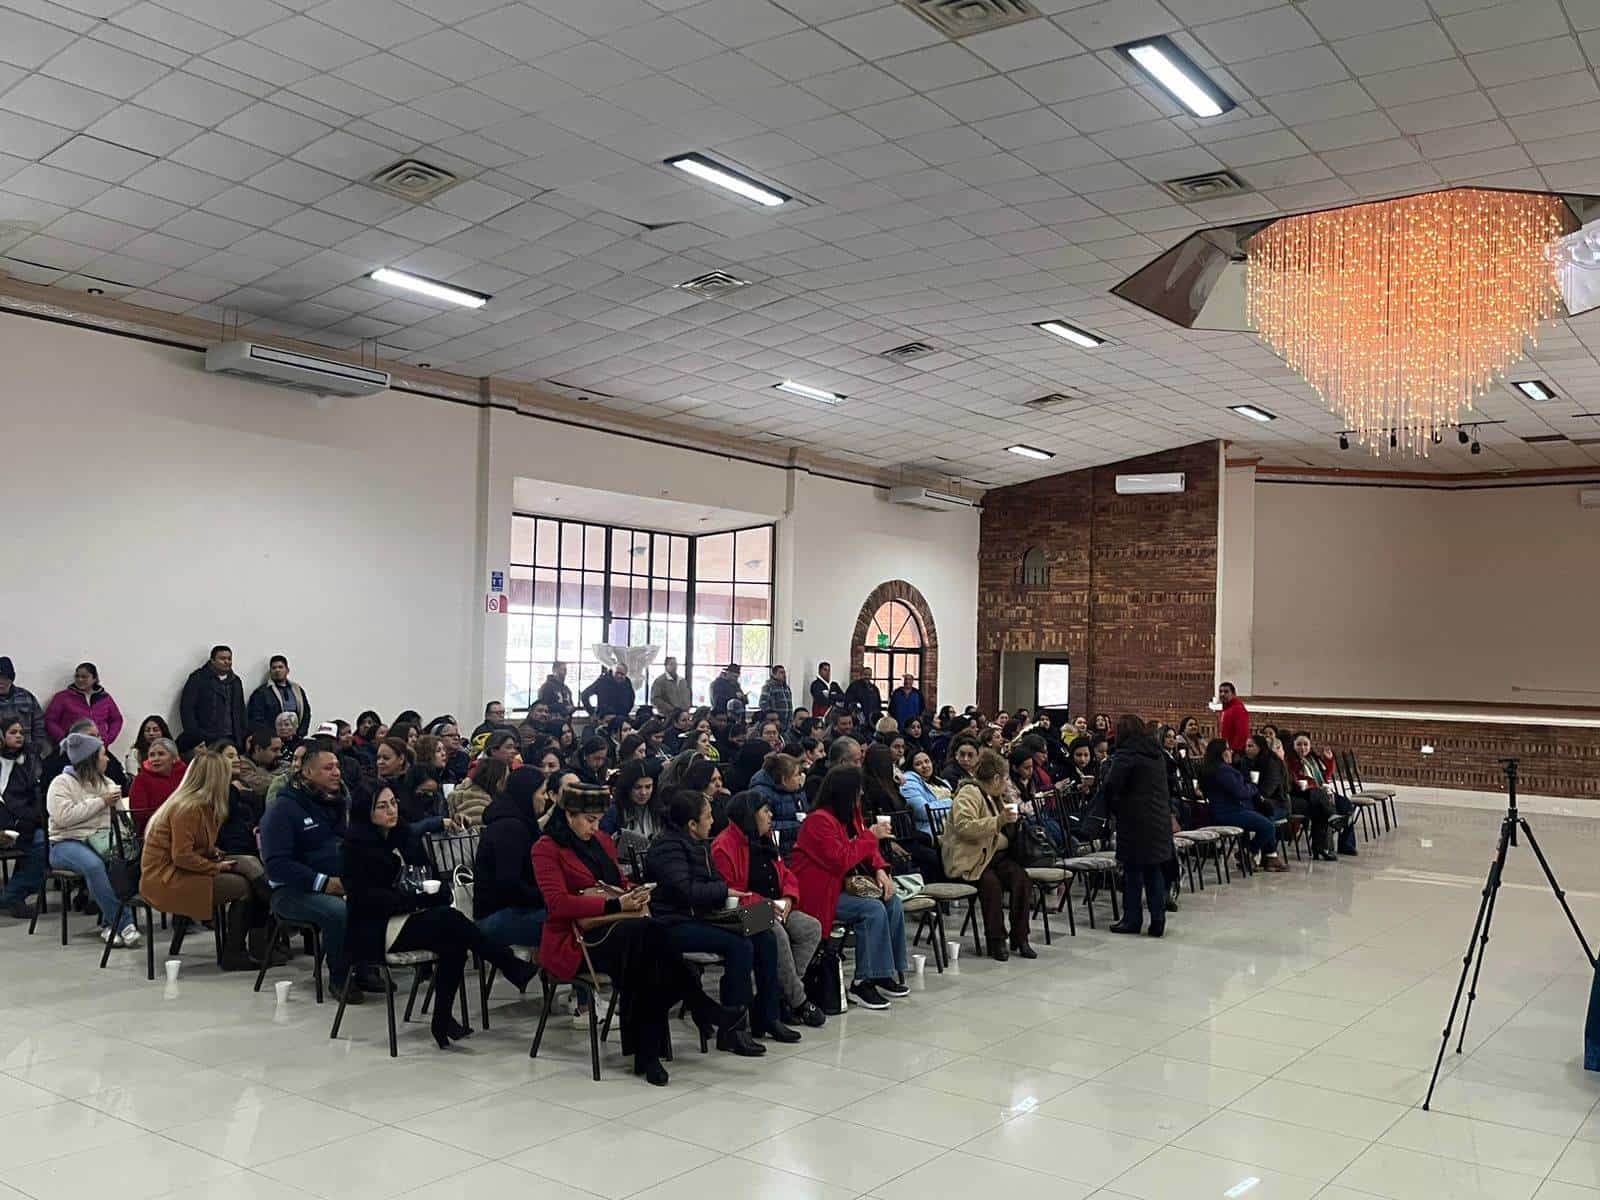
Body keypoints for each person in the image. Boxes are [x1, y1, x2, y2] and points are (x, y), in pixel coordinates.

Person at [533, 783, 740, 1087]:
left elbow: (620, 881)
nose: (596, 826)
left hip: (622, 933)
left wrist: (635, 893)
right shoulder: (546, 848)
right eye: (589, 819)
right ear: (568, 815)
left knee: (646, 957)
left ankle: (650, 1052)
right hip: (578, 939)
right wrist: (614, 903)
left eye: (599, 818)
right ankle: (700, 1008)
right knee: (649, 939)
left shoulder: (601, 841)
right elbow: (558, 904)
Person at [342, 782, 536, 1048]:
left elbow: (431, 877)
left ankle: (442, 1019)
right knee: (450, 921)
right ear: (367, 811)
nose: (391, 810)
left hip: (409, 915)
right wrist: (419, 899)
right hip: (375, 927)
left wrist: (430, 894)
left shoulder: (403, 837)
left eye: (393, 803)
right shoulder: (355, 849)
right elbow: (369, 901)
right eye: (382, 806)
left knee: (454, 942)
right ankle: (508, 963)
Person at [647, 788, 788, 1049]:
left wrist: (725, 891)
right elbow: (685, 891)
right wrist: (723, 890)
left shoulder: (697, 844)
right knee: (740, 945)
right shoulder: (667, 847)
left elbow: (712, 882)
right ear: (691, 824)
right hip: (674, 922)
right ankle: (733, 1030)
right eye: (708, 816)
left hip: (704, 915)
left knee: (765, 931)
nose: (713, 821)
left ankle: (768, 1015)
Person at [139, 750, 271, 969]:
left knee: (249, 864)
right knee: (243, 887)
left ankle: (262, 939)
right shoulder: (188, 808)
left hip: (182, 870)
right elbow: (181, 856)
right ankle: (239, 950)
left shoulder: (201, 804)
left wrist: (214, 854)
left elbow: (196, 847)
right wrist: (215, 867)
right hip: (167, 879)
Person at [792, 765, 909, 1010]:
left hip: (844, 886)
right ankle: (862, 982)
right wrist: (872, 837)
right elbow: (841, 859)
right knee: (872, 910)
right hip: (821, 892)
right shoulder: (818, 822)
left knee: (892, 902)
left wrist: (880, 870)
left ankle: (884, 972)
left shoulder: (850, 816)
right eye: (858, 792)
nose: (862, 796)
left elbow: (867, 850)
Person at [260, 747, 373, 1000]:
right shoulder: (284, 810)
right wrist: (322, 883)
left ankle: (365, 967)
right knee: (338, 912)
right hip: (291, 892)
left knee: (374, 897)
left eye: (337, 767)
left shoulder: (340, 803)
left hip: (339, 883)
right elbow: (276, 865)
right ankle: (340, 978)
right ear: (308, 772)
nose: (336, 773)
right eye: (328, 768)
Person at [713, 791, 826, 1028]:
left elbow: (786, 873)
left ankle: (781, 996)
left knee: (810, 927)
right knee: (778, 934)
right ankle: (799, 1001)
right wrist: (766, 905)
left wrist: (787, 898)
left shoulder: (765, 839)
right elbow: (731, 892)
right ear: (750, 816)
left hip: (776, 906)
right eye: (765, 811)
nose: (771, 815)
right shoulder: (724, 846)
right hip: (740, 914)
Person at [46, 731, 140, 947]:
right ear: (90, 760)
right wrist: (101, 802)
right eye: (103, 755)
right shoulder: (61, 783)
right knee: (94, 865)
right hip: (65, 843)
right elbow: (64, 817)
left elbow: (118, 820)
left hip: (102, 842)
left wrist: (117, 806)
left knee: (119, 864)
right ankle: (124, 923)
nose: (107, 759)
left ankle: (109, 926)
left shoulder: (107, 783)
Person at [944, 748, 1034, 961]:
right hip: (971, 859)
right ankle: (996, 940)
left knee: (1022, 880)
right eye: (1004, 779)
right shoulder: (969, 794)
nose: (1006, 783)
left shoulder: (995, 796)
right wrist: (999, 821)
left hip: (993, 855)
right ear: (995, 778)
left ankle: (1020, 937)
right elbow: (965, 827)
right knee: (991, 886)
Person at [1099, 716, 1177, 936]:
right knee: (1154, 870)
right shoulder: (1157, 754)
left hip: (1134, 820)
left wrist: (1113, 807)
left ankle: (1132, 919)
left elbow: (1113, 785)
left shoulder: (1126, 754)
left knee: (1133, 870)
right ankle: (1158, 920)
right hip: (1159, 818)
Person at [473, 766, 548, 951]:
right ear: (528, 794)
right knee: (569, 922)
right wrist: (548, 898)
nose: (546, 798)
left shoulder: (520, 823)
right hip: (495, 917)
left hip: (514, 909)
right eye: (543, 792)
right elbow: (510, 886)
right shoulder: (509, 829)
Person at [1197, 739, 1284, 872]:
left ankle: (1249, 853)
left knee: (1259, 819)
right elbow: (1241, 792)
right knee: (1268, 827)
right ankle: (1248, 852)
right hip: (1230, 812)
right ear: (1221, 753)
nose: (1231, 752)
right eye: (1228, 749)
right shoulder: (1224, 771)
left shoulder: (1207, 769)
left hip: (1217, 811)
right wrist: (1253, 787)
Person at [0, 716, 46, 917]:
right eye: (13, 732)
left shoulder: (29, 760)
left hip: (20, 825)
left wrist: (24, 821)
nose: (19, 736)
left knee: (44, 843)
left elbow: (33, 797)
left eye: (21, 732)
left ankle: (12, 894)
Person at [1286, 732, 1344, 860]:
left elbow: (1326, 776)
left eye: (1306, 744)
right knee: (1322, 806)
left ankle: (1336, 843)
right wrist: (1316, 786)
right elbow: (1297, 782)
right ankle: (1323, 847)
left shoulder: (1312, 759)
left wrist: (1329, 761)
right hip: (1298, 797)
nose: (1303, 748)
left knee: (1339, 805)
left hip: (1316, 795)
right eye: (1299, 745)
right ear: (1293, 746)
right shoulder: (1291, 761)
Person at [44, 663, 124, 750]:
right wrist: (65, 739)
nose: (80, 679)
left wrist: (107, 739)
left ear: (94, 679)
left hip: (98, 748)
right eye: (77, 676)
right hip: (71, 749)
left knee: (115, 764)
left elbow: (117, 719)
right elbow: (50, 720)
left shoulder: (105, 698)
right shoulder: (62, 697)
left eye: (84, 677)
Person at [179, 645, 247, 747]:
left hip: (232, 737)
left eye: (229, 659)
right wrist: (195, 734)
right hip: (206, 738)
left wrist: (242, 735)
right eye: (222, 659)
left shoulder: (235, 681)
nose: (227, 662)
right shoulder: (198, 678)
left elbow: (241, 710)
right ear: (212, 661)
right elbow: (187, 708)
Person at [749, 751, 806, 857]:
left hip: (799, 846)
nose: (801, 777)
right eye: (796, 775)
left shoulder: (796, 789)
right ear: (784, 779)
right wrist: (800, 826)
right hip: (780, 852)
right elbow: (767, 826)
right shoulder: (761, 793)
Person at [128, 736, 186, 833]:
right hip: (155, 832)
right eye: (152, 755)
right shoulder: (141, 779)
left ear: (174, 758)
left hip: (186, 826)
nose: (155, 759)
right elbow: (139, 815)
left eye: (161, 754)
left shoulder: (186, 774)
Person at [601, 760, 662, 845]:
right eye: (638, 787)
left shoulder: (659, 808)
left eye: (648, 787)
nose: (643, 792)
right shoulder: (614, 812)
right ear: (627, 788)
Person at [0, 658, 47, 756]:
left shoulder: (26, 697)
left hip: (27, 755)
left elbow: (39, 723)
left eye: (5, 678)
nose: (1, 682)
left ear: (12, 678)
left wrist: (36, 746)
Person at [900, 750, 950, 836]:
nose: (924, 766)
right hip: (929, 832)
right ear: (911, 767)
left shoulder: (938, 780)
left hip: (947, 828)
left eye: (927, 761)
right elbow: (923, 812)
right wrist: (951, 802)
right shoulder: (908, 782)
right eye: (918, 764)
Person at [449, 757, 508, 829]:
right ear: (497, 780)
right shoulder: (479, 804)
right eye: (506, 777)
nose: (508, 782)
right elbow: (478, 836)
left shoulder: (466, 791)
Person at [844, 665, 882, 730]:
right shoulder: (854, 686)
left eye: (869, 675)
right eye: (865, 674)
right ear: (861, 675)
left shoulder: (874, 689)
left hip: (872, 721)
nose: (867, 677)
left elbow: (878, 704)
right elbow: (848, 701)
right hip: (858, 721)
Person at [1217, 682, 1250, 754]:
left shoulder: (1238, 709)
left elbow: (1242, 732)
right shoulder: (1226, 710)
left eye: (1226, 692)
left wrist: (1234, 751)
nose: (1222, 694)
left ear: (1233, 694)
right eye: (1220, 691)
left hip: (1235, 752)